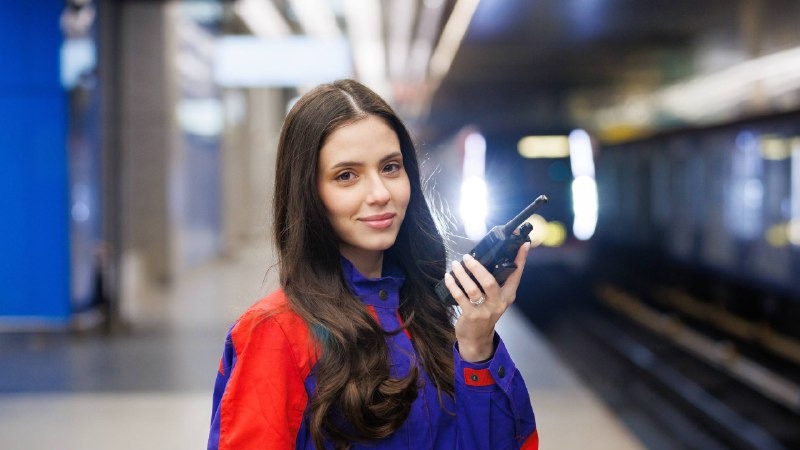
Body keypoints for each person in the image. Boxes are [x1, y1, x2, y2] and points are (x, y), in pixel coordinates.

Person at [208, 79, 538, 450]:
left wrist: (478, 348)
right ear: (308, 193)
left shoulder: (428, 317)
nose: (380, 194)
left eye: (391, 167)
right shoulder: (276, 333)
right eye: (346, 176)